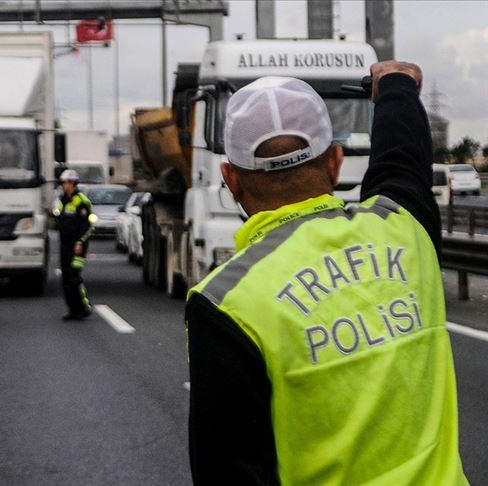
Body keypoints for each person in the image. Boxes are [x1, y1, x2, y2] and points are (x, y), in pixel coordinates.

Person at [186, 62, 467, 485]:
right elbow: (402, 158)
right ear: (335, 162)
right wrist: (395, 84)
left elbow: (229, 470)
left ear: (231, 180)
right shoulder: (405, 230)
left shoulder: (225, 303)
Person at [54, 169, 96, 320]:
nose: (62, 186)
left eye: (64, 183)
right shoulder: (62, 201)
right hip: (65, 245)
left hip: (77, 247)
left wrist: (80, 242)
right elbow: (59, 220)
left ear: (72, 183)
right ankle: (72, 310)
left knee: (74, 277)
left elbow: (88, 226)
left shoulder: (81, 201)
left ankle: (84, 307)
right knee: (65, 278)